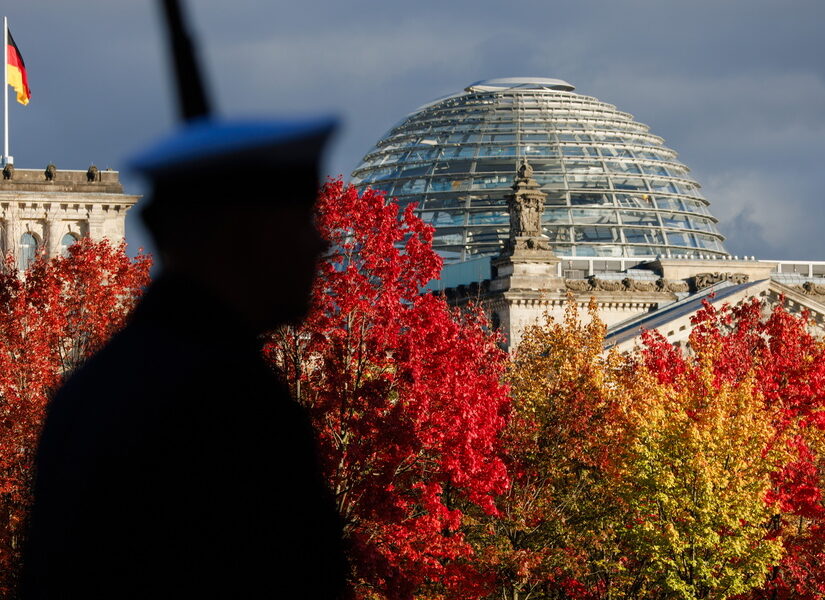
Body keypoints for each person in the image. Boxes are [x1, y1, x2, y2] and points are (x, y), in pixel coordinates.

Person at [21, 118, 348, 599]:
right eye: (298, 222)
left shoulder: (95, 385)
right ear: (242, 238)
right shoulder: (228, 399)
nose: (320, 245)